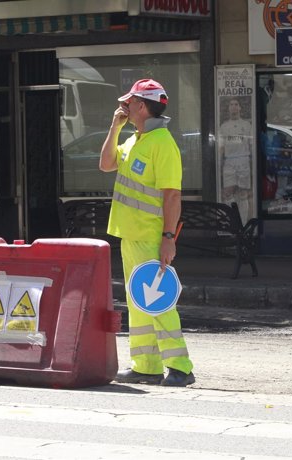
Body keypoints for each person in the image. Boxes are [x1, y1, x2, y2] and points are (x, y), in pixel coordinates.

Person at [99, 79, 195, 387]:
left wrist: (168, 239)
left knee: (157, 301)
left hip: (151, 237)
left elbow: (172, 196)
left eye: (128, 103)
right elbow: (106, 164)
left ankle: (180, 366)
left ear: (142, 106)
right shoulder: (135, 139)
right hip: (131, 235)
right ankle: (146, 365)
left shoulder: (163, 144)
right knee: (138, 301)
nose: (123, 107)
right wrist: (115, 127)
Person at [218, 97, 254, 222]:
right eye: (231, 104)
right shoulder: (223, 126)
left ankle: (243, 224)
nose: (233, 106)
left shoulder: (246, 125)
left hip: (243, 160)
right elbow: (221, 147)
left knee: (243, 194)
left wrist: (252, 163)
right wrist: (220, 162)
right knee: (228, 193)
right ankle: (232, 223)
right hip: (229, 161)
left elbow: (251, 145)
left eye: (236, 104)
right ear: (228, 108)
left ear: (239, 107)